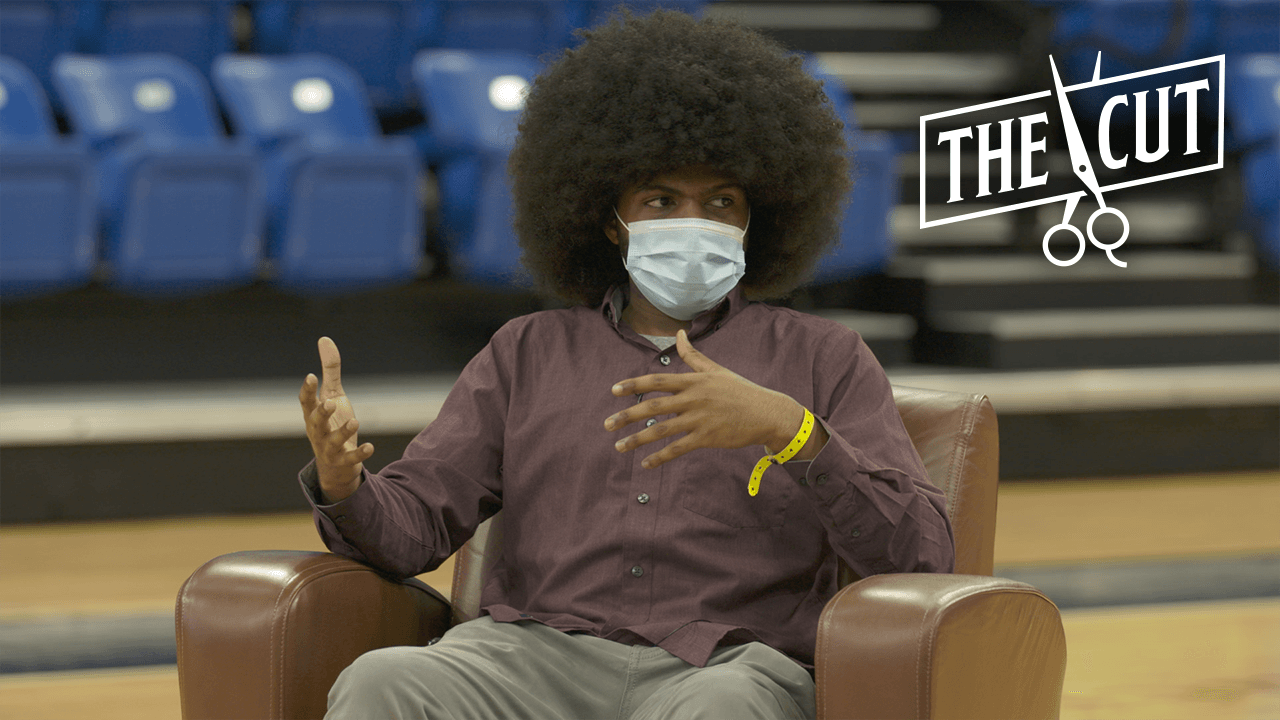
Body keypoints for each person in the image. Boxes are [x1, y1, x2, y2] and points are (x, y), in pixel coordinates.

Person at [298, 10, 954, 720]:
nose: (693, 221)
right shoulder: (527, 352)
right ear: (611, 220)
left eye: (721, 201)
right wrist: (344, 481)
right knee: (382, 682)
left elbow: (920, 556)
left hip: (727, 665)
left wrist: (792, 432)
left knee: (721, 710)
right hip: (531, 656)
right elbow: (416, 529)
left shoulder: (824, 357)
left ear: (754, 220)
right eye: (662, 200)